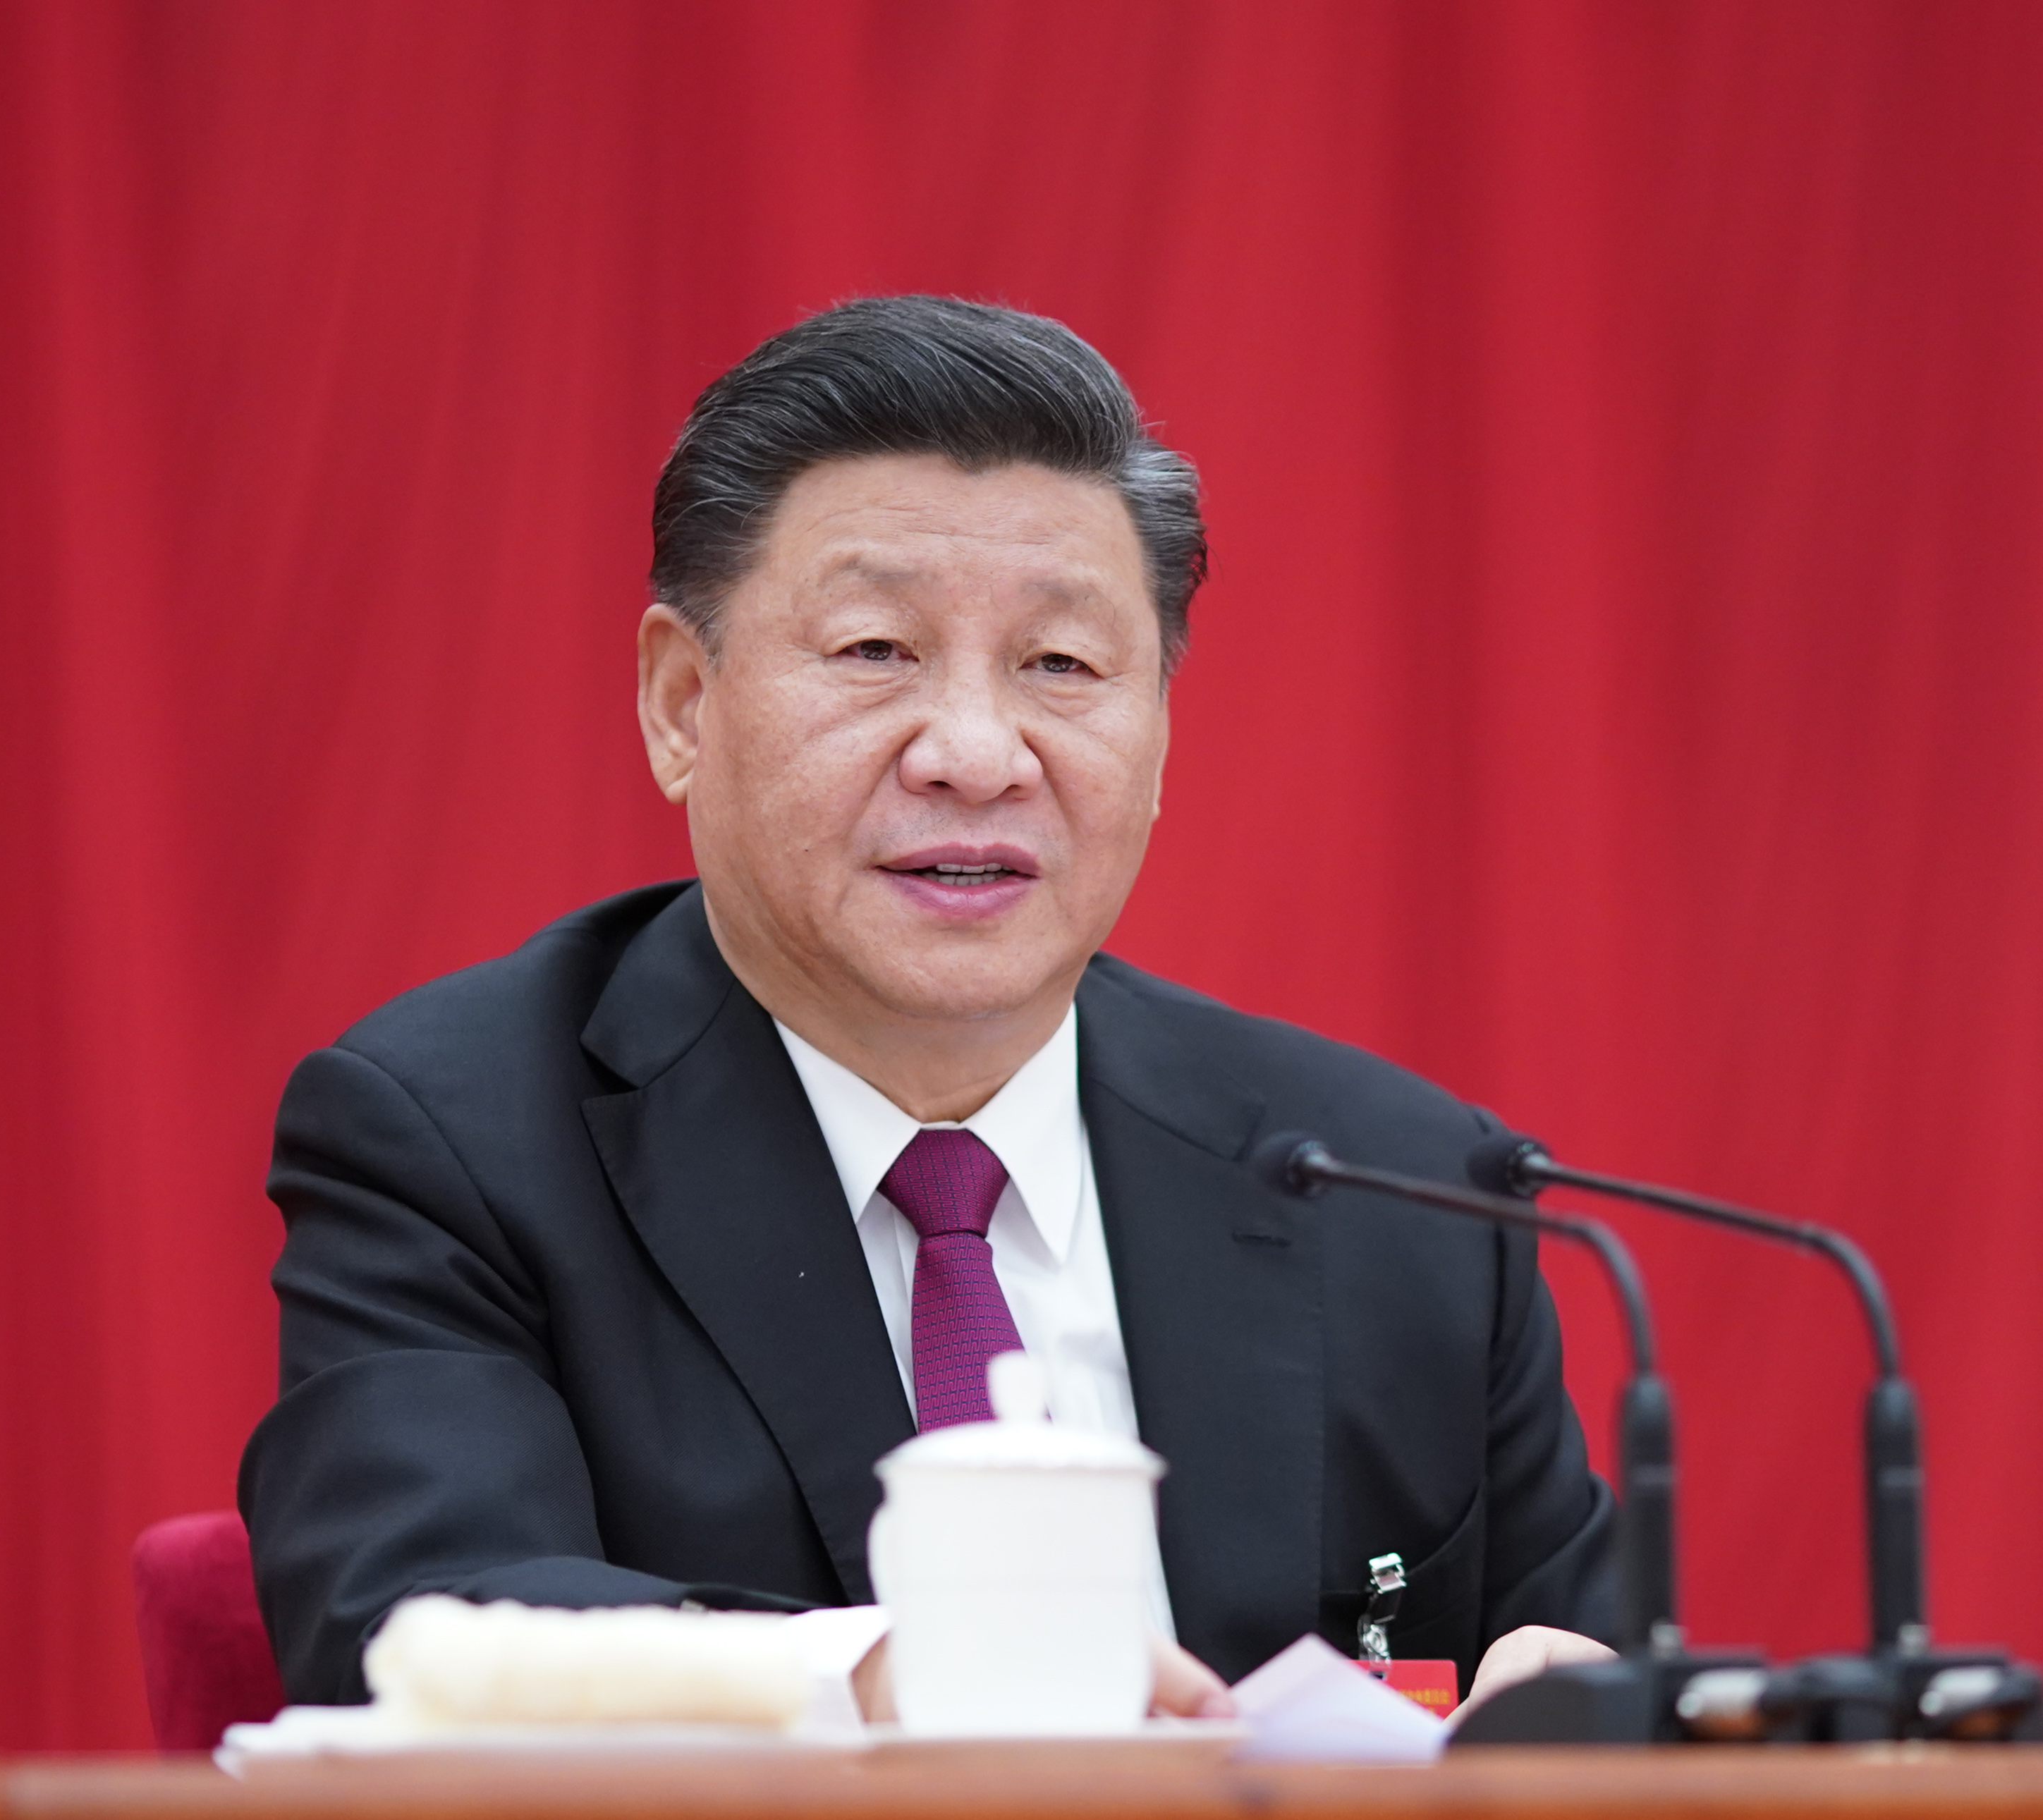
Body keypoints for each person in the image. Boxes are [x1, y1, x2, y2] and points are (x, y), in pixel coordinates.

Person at [241, 295, 1616, 1718]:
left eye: (1061, 666)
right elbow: (415, 1628)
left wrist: (1597, 1711)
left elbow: (1587, 1674)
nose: (975, 753)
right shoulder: (458, 1143)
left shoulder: (1405, 1195)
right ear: (682, 704)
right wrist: (910, 1681)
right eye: (874, 650)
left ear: (1158, 739)